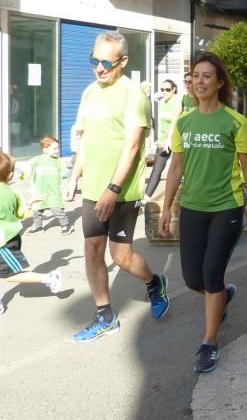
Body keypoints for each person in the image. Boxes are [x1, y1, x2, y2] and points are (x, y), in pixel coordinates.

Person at [64, 31, 169, 343]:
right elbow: (84, 140)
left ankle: (154, 283)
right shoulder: (89, 93)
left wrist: (112, 189)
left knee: (121, 257)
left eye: (106, 62)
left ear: (123, 61)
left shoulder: (133, 94)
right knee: (92, 250)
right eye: (94, 61)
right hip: (93, 188)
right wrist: (73, 177)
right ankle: (105, 316)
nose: (99, 68)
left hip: (121, 192)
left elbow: (133, 146)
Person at [159, 52, 247, 373]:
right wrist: (166, 207)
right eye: (195, 75)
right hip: (193, 208)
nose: (199, 81)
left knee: (211, 275)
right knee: (192, 278)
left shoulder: (235, 122)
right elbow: (176, 167)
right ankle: (222, 296)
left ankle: (209, 342)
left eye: (207, 75)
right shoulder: (183, 122)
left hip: (226, 208)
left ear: (220, 82)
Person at [0, 153, 62, 315]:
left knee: (10, 276)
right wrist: (30, 202)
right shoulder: (11, 193)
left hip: (4, 242)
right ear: (11, 175)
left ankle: (49, 277)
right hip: (9, 238)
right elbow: (20, 213)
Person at [144, 79, 181, 201]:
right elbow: (161, 123)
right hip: (164, 140)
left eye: (168, 89)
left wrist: (169, 140)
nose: (165, 92)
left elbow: (174, 124)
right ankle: (146, 197)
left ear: (173, 89)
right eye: (162, 89)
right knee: (157, 169)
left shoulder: (178, 102)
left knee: (180, 169)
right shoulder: (161, 103)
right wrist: (159, 140)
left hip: (176, 141)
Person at [28, 135, 73, 235]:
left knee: (57, 210)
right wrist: (19, 172)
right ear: (45, 150)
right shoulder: (36, 161)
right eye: (54, 148)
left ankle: (66, 225)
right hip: (39, 192)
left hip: (53, 192)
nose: (57, 150)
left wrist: (69, 175)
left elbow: (65, 172)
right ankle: (38, 227)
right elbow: (27, 168)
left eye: (58, 148)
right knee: (36, 211)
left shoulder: (59, 161)